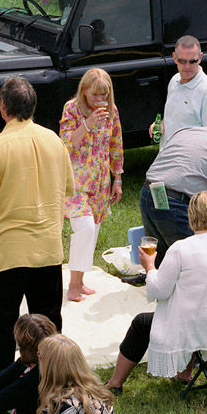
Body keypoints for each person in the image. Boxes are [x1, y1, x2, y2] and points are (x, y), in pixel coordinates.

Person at [0, 76, 76, 375]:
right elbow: (68, 187)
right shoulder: (54, 140)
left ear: (3, 108)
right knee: (49, 329)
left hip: (8, 254)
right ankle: (53, 381)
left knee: (0, 331)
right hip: (46, 250)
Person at [108, 191, 207, 391]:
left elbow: (159, 291)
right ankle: (184, 373)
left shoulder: (181, 249)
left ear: (191, 216)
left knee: (141, 323)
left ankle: (114, 383)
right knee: (192, 309)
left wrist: (149, 266)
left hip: (196, 326)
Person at [141, 116, 207, 266]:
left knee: (161, 259)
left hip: (148, 191)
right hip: (173, 201)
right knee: (194, 263)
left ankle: (157, 283)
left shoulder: (187, 131)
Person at [59, 69, 123, 303]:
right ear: (84, 90)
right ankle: (73, 285)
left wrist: (117, 178)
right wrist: (88, 123)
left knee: (93, 230)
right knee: (84, 227)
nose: (100, 100)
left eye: (104, 95)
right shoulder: (71, 109)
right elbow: (65, 143)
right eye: (95, 95)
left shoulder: (112, 110)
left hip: (100, 179)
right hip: (75, 179)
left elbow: (116, 143)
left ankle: (79, 280)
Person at [161, 35, 207, 143]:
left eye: (192, 61)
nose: (187, 67)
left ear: (200, 58)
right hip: (167, 155)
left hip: (190, 158)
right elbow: (174, 117)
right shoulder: (174, 80)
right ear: (174, 58)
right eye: (182, 61)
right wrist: (162, 125)